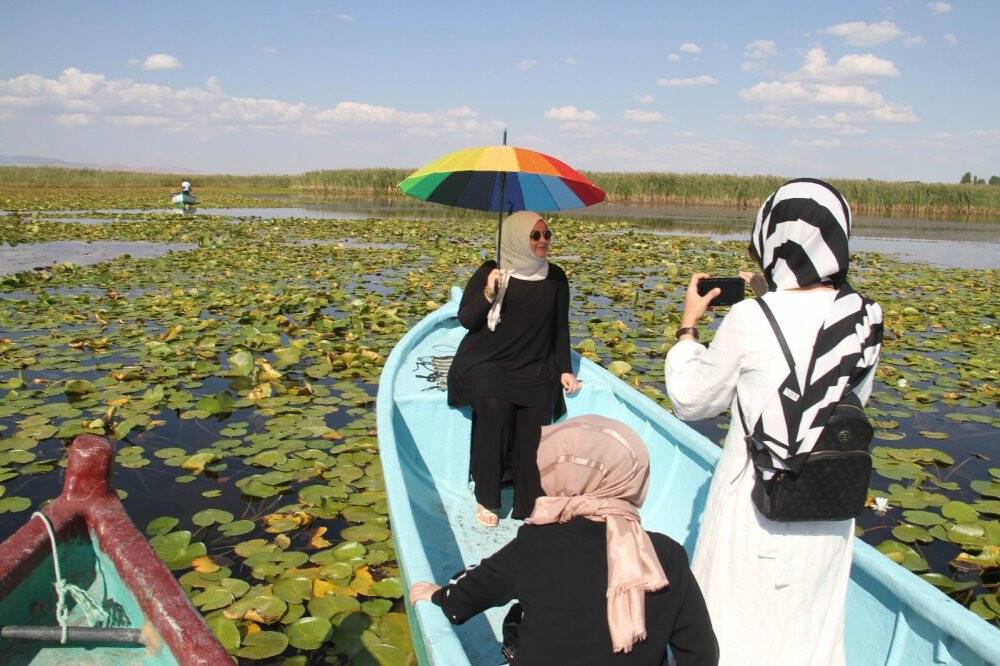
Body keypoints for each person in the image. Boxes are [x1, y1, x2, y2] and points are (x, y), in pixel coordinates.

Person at [664, 178, 883, 665]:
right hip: (827, 504)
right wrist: (776, 294)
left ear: (773, 238)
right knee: (807, 630)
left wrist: (688, 327)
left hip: (758, 500)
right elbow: (848, 402)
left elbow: (692, 401)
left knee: (734, 625)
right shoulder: (867, 316)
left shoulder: (751, 317)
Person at [409, 415, 719, 666]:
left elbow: (464, 601)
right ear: (633, 477)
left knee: (515, 621)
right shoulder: (667, 555)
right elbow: (701, 653)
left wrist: (439, 595)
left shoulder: (536, 543)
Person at [447, 210, 581, 526]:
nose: (543, 241)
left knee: (536, 417)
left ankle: (529, 503)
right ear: (517, 239)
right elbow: (468, 320)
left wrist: (564, 368)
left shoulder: (556, 277)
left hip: (533, 365)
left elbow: (559, 328)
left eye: (546, 235)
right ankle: (487, 498)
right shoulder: (492, 272)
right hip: (486, 363)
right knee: (494, 409)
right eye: (535, 236)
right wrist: (488, 294)